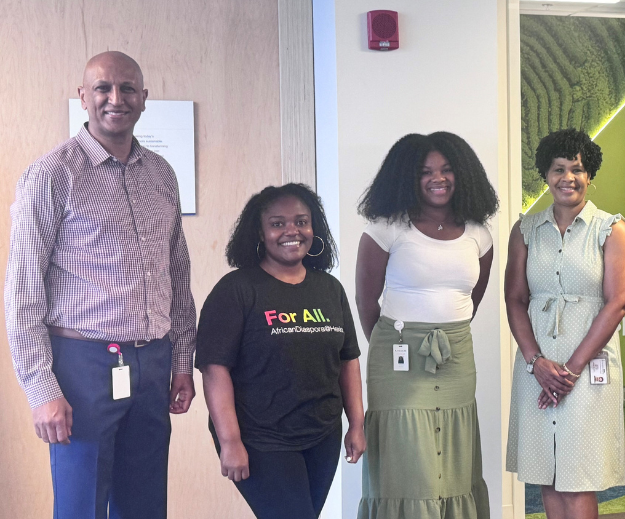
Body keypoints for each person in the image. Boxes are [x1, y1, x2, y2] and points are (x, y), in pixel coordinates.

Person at [4, 51, 196, 518]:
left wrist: (183, 361)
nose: (116, 99)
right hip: (81, 366)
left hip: (153, 359)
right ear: (83, 97)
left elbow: (178, 272)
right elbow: (23, 292)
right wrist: (41, 390)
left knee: (145, 505)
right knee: (80, 505)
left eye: (128, 88)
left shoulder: (161, 174)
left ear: (144, 98)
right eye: (104, 89)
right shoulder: (52, 175)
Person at [196, 183, 365, 518]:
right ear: (260, 232)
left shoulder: (329, 288)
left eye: (301, 221)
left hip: (321, 434)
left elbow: (348, 361)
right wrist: (230, 442)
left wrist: (356, 424)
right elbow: (215, 370)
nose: (292, 231)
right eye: (278, 223)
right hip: (261, 439)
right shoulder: (236, 291)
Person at [355, 131, 498, 519]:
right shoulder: (385, 228)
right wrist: (392, 346)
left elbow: (472, 300)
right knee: (407, 459)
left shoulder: (479, 234)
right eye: (426, 171)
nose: (439, 178)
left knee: (454, 457)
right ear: (407, 177)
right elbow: (367, 301)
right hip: (397, 358)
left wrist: (447, 334)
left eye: (448, 169)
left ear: (463, 174)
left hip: (456, 356)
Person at [505, 129, 625, 519]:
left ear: (590, 174)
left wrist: (570, 371)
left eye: (577, 169)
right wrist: (537, 364)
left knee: (578, 477)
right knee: (548, 472)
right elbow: (515, 299)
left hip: (588, 367)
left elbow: (619, 302)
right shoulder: (526, 230)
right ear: (545, 175)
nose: (568, 178)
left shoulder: (611, 229)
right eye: (558, 169)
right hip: (537, 366)